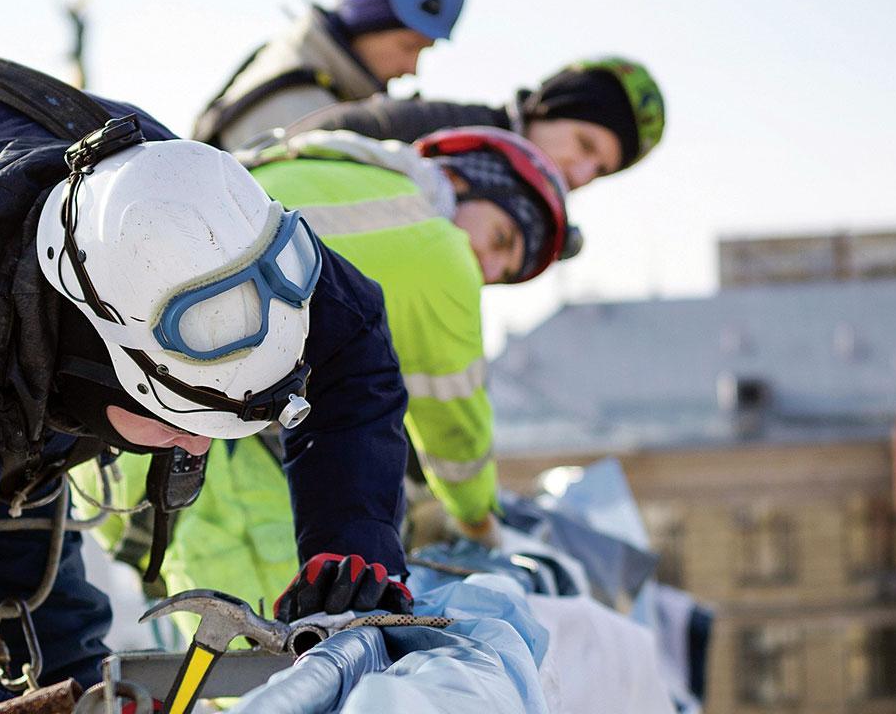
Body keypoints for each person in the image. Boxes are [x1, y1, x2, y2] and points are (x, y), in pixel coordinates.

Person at [0, 34, 413, 712]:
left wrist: (352, 540)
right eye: (182, 420)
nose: (199, 447)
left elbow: (352, 341)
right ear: (95, 369)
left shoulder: (203, 221)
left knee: (46, 618)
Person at [86, 125, 568, 622]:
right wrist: (480, 521)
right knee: (283, 667)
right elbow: (453, 426)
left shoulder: (331, 168)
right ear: (464, 184)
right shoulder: (439, 249)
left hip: (139, 423)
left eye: (502, 274)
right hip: (231, 452)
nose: (486, 266)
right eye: (499, 239)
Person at [192, 0, 465, 151]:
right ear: (368, 23)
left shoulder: (304, 68)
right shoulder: (300, 112)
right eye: (409, 46)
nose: (412, 68)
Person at [287, 56, 666, 190]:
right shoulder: (445, 128)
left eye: (600, 171)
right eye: (585, 144)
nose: (582, 175)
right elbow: (303, 141)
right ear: (550, 106)